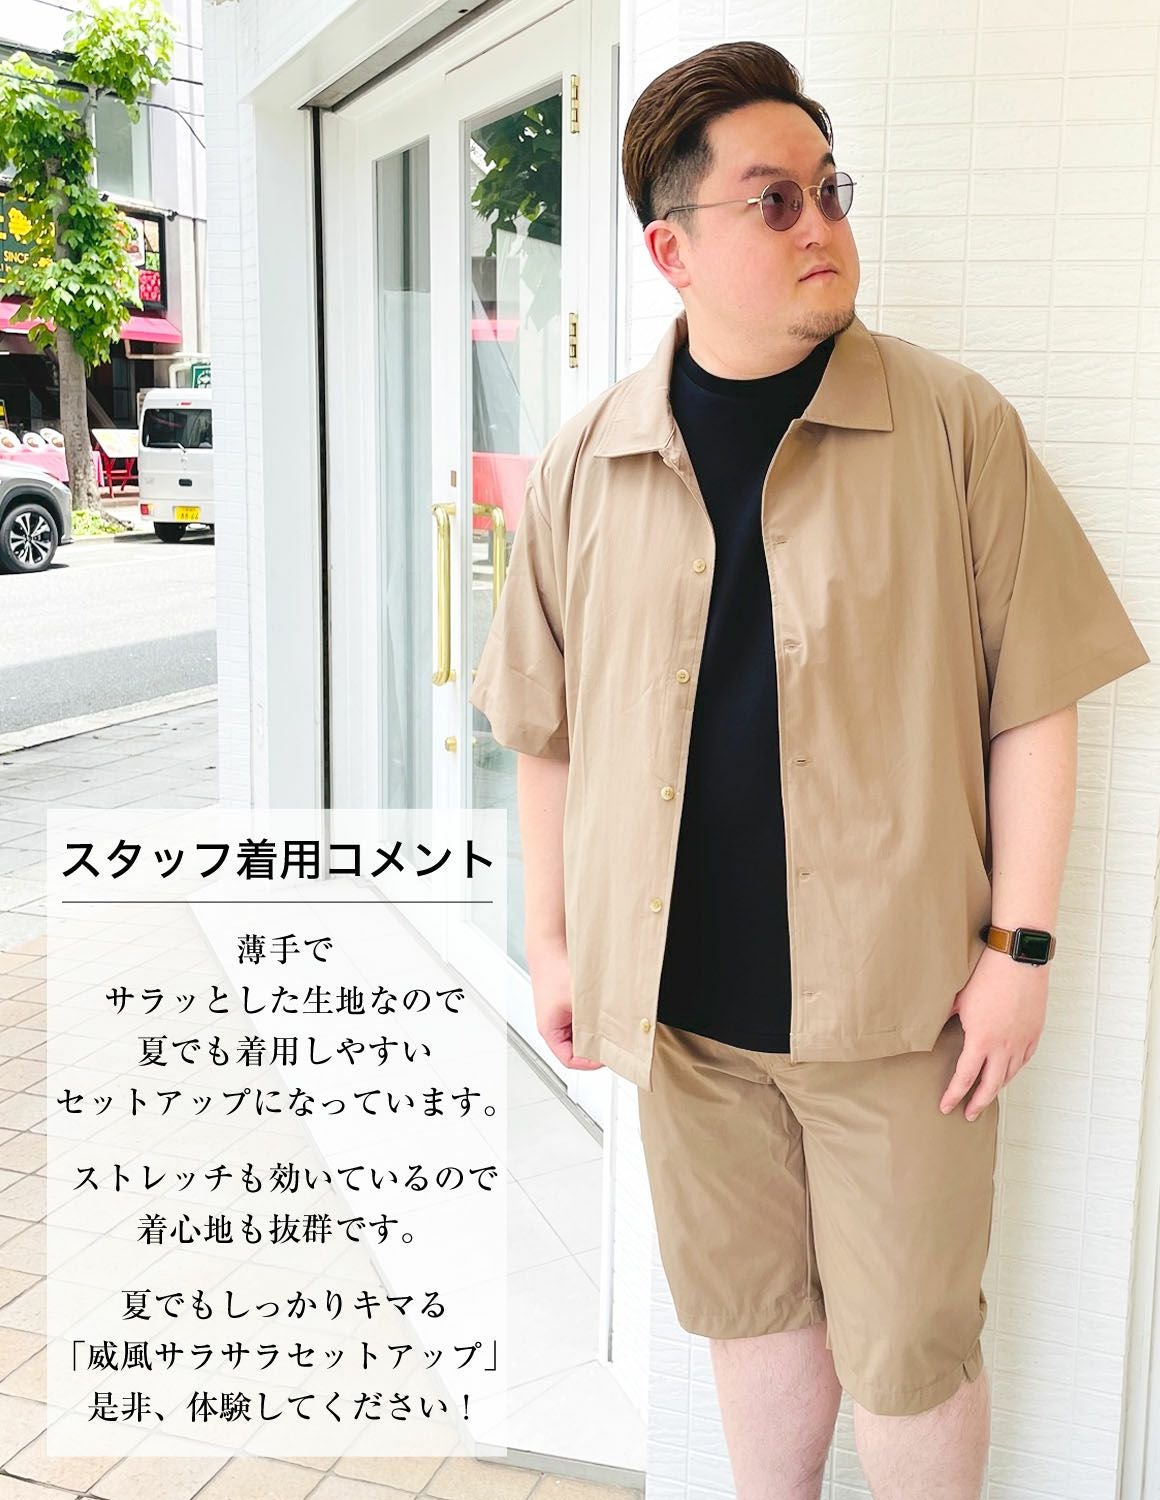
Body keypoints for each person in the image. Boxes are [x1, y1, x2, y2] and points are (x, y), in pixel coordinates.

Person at [469, 39, 1150, 1500]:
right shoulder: (589, 461)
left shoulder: (954, 427)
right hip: (683, 1019)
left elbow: (1033, 700)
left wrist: (1020, 950)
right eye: (774, 199)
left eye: (831, 189)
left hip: (898, 1014)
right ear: (672, 249)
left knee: (912, 1352)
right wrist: (557, 942)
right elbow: (549, 726)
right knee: (751, 1314)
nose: (822, 224)